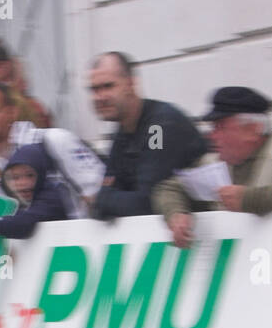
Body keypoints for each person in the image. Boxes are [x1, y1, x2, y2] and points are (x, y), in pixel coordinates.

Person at [153, 87, 272, 249]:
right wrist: (176, 214)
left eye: (220, 127)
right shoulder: (214, 163)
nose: (212, 136)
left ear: (252, 129)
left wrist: (250, 199)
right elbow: (169, 188)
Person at [0, 81, 104, 217]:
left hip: (73, 240)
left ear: (13, 112)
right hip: (14, 241)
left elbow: (98, 190)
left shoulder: (55, 140)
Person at [87, 51, 208, 219]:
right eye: (94, 89)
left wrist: (102, 199)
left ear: (131, 84)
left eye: (108, 86)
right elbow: (108, 197)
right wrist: (107, 198)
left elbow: (148, 203)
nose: (100, 97)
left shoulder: (158, 127)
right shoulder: (122, 132)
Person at [0, 143, 79, 241]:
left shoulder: (53, 194)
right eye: (15, 177)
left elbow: (26, 222)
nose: (22, 183)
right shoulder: (15, 200)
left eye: (29, 175)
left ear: (41, 174)